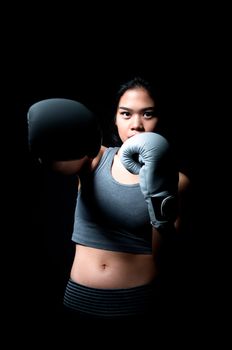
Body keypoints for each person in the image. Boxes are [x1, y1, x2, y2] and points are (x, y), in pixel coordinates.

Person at [27, 77, 191, 330]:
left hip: (138, 304)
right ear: (114, 118)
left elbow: (169, 262)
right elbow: (56, 164)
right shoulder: (94, 158)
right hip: (78, 299)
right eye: (126, 114)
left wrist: (160, 196)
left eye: (148, 114)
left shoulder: (178, 182)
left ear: (161, 118)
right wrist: (44, 141)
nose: (136, 125)